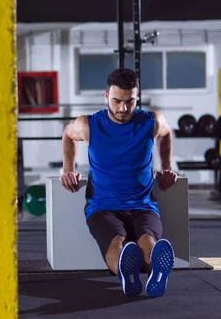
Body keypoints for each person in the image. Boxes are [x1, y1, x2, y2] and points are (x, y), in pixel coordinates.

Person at [59, 68, 178, 298]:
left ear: (137, 97)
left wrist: (166, 167)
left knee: (148, 240)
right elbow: (67, 133)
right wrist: (68, 170)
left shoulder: (151, 121)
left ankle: (156, 271)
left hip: (143, 205)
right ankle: (127, 273)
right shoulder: (89, 124)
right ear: (106, 97)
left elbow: (166, 133)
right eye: (116, 101)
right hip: (103, 207)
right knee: (117, 243)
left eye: (129, 101)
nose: (123, 108)